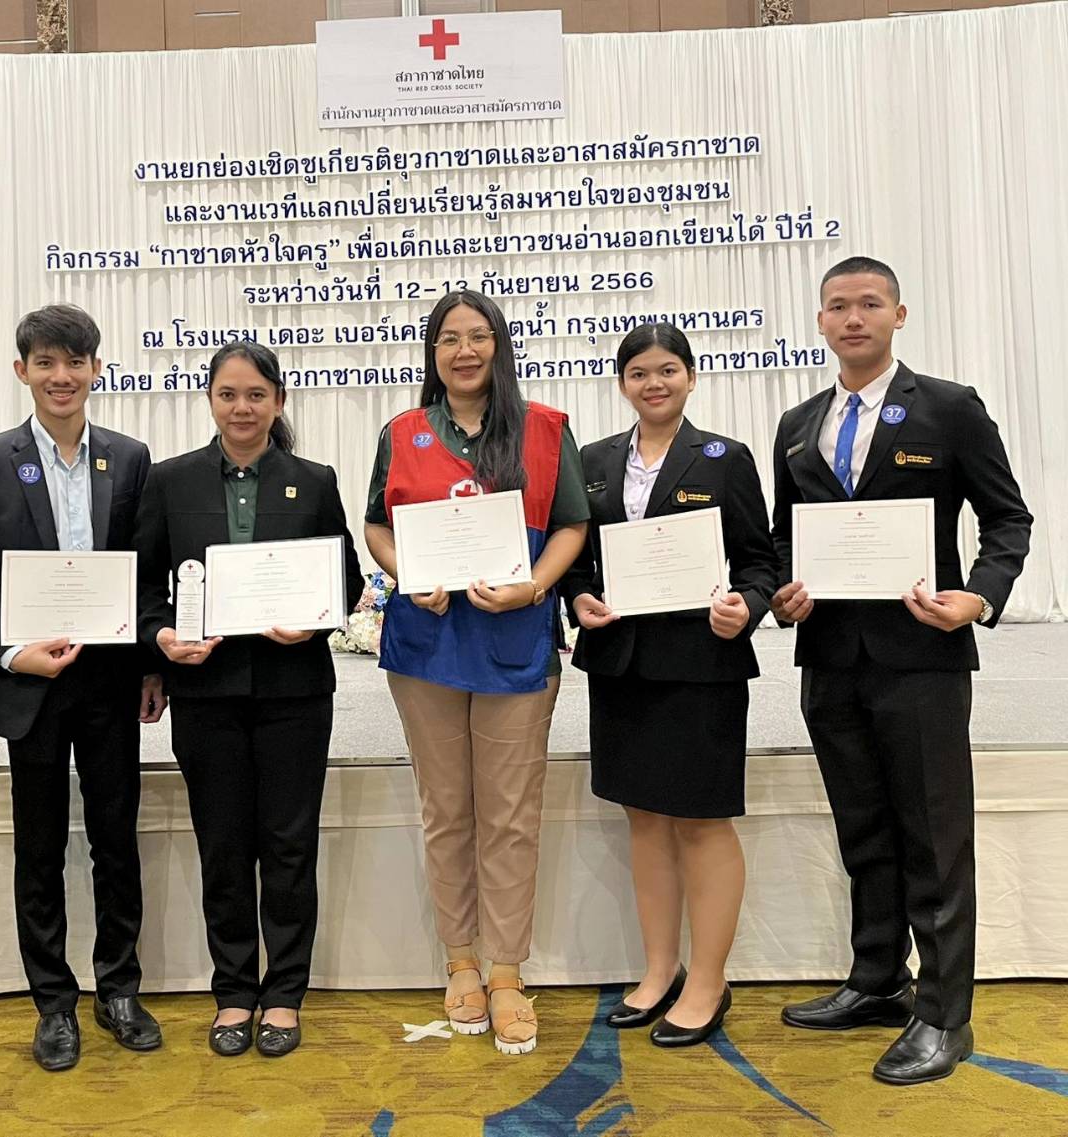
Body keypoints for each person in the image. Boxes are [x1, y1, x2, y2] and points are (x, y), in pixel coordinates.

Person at [771, 256, 1032, 1085]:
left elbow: (1007, 519)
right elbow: (784, 537)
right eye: (837, 306)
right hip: (830, 660)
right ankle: (877, 978)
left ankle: (943, 1014)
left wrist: (977, 597)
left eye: (869, 303)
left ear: (898, 314)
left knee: (933, 838)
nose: (853, 318)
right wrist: (782, 593)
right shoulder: (797, 423)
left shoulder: (948, 408)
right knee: (864, 830)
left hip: (921, 658)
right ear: (819, 321)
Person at [363, 290, 588, 1056]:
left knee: (510, 814)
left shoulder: (544, 429)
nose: (464, 351)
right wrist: (409, 571)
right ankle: (459, 960)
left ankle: (505, 971)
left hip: (514, 638)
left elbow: (572, 523)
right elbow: (377, 525)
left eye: (478, 336)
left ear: (498, 346)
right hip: (426, 641)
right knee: (446, 809)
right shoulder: (402, 432)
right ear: (432, 352)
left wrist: (535, 586)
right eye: (448, 339)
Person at [0, 304, 165, 1072]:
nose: (61, 376)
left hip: (108, 682)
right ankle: (53, 1002)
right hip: (30, 683)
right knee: (38, 847)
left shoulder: (129, 459)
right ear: (22, 371)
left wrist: (151, 664)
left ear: (96, 369)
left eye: (75, 362)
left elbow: (145, 573)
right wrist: (9, 650)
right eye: (45, 362)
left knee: (115, 840)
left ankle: (119, 988)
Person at [133, 340, 361, 1058]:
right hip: (207, 691)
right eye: (228, 394)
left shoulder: (313, 480)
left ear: (278, 401)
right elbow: (143, 586)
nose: (242, 407)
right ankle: (234, 990)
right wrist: (161, 640)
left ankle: (284, 993)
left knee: (289, 846)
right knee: (224, 845)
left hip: (295, 690)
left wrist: (316, 619)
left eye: (256, 395)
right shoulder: (169, 481)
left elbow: (346, 578)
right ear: (209, 399)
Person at [564, 322, 776, 1047]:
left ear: (690, 376)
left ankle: (708, 981)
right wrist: (577, 598)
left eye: (667, 371)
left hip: (700, 666)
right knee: (645, 819)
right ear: (622, 383)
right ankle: (659, 970)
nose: (653, 384)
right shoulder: (592, 461)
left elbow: (759, 562)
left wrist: (746, 606)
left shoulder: (723, 458)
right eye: (639, 373)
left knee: (701, 820)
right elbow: (578, 560)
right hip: (620, 667)